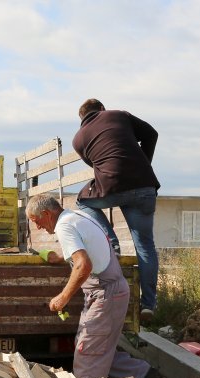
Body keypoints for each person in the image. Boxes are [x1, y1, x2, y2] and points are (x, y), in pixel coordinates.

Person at [27, 194, 150, 378]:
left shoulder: (64, 226)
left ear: (46, 213)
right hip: (113, 292)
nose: (38, 227)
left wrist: (62, 297)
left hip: (105, 294)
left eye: (37, 221)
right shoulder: (77, 216)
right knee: (100, 347)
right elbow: (87, 248)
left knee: (88, 354)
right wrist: (59, 257)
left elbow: (83, 265)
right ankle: (145, 377)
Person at [72, 98, 160, 322]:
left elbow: (97, 163)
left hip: (112, 187)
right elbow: (152, 134)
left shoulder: (79, 139)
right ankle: (149, 304)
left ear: (82, 119)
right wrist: (143, 165)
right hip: (144, 186)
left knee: (82, 201)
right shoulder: (119, 115)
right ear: (102, 109)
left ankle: (111, 241)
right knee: (145, 246)